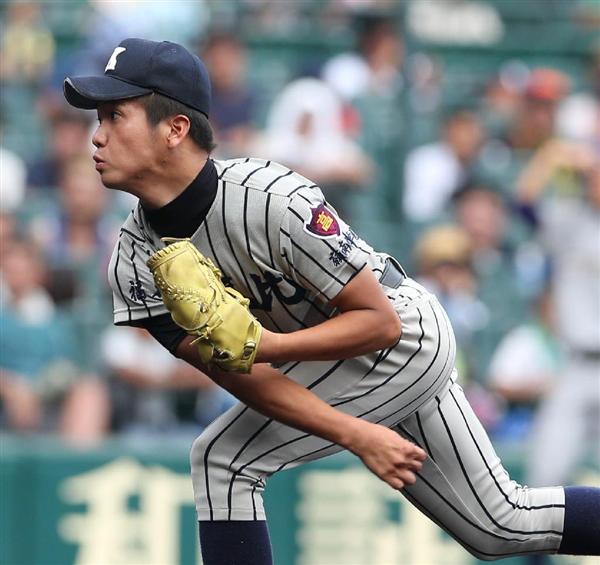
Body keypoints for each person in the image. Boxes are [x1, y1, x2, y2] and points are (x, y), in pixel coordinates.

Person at [63, 38, 599, 564]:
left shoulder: (270, 198)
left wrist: (276, 352)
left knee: (221, 460)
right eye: (98, 118)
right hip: (321, 367)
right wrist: (351, 427)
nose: (97, 136)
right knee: (500, 526)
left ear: (175, 128)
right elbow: (242, 377)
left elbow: (379, 322)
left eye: (115, 115)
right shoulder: (133, 261)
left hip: (404, 341)